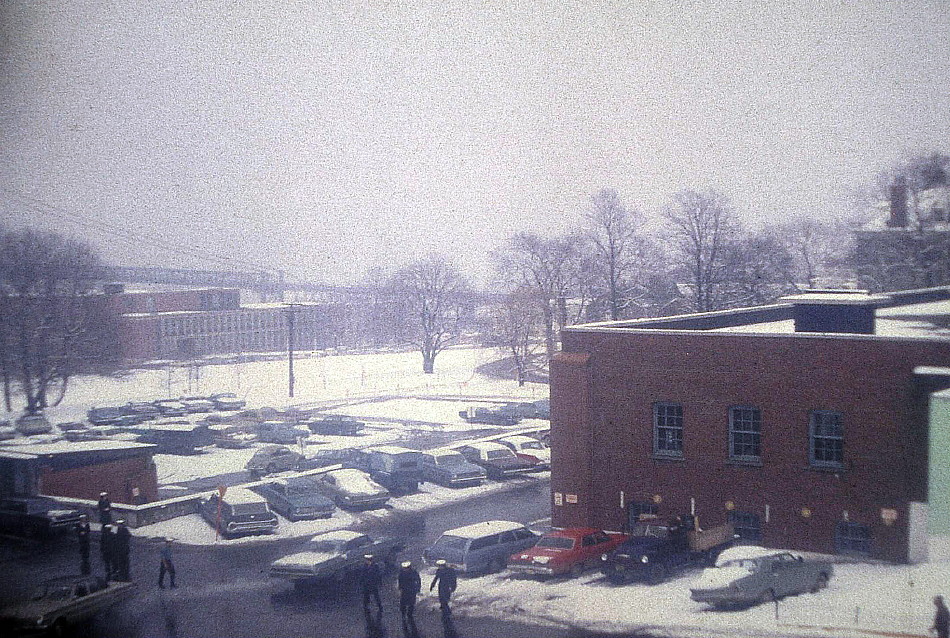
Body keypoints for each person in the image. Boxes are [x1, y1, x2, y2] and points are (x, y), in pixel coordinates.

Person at [397, 560, 421, 626]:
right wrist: (400, 588)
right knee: (403, 603)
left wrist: (418, 588)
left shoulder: (413, 572)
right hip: (404, 590)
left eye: (406, 568)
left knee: (411, 603)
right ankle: (403, 614)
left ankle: (409, 614)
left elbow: (418, 580)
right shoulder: (401, 573)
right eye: (404, 568)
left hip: (412, 590)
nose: (405, 569)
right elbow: (400, 580)